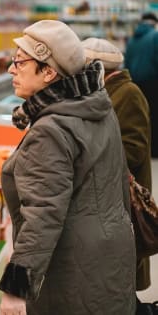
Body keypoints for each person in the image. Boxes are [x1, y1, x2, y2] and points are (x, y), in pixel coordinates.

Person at [0, 20, 136, 315]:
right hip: (112, 256)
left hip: (72, 272)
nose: (11, 69)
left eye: (19, 62)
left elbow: (42, 217)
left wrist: (15, 290)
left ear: (48, 72)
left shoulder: (50, 130)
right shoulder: (97, 106)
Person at [82, 37, 153, 314]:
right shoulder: (101, 92)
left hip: (122, 200)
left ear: (97, 68)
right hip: (108, 198)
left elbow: (133, 150)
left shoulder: (128, 93)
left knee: (119, 279)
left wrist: (88, 148)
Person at [125, 12, 158, 157]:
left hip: (135, 83)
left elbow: (126, 62)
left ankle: (144, 147)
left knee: (142, 116)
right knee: (155, 116)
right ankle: (155, 149)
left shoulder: (132, 40)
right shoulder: (155, 37)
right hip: (153, 82)